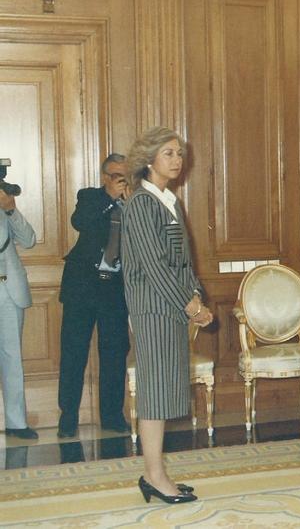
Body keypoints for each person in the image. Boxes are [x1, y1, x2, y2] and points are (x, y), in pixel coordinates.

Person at [122, 127, 214, 504]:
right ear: (149, 160)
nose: (177, 160)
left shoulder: (169, 200)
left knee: (161, 392)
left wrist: (195, 294)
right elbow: (155, 267)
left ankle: (154, 474)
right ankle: (155, 477)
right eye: (168, 154)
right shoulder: (142, 203)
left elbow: (183, 259)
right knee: (155, 394)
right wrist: (190, 304)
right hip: (153, 309)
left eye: (179, 153)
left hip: (172, 307)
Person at [57, 154, 133, 438]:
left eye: (125, 175)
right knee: (73, 352)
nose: (121, 181)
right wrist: (110, 199)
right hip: (82, 287)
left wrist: (127, 201)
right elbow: (80, 222)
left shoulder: (135, 202)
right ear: (105, 177)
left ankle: (112, 416)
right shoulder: (90, 197)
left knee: (114, 353)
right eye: (115, 176)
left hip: (115, 289)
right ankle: (68, 417)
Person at [0, 186, 37, 440]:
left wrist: (10, 209)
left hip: (8, 287)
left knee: (12, 358)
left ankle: (16, 422)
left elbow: (29, 240)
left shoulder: (5, 206)